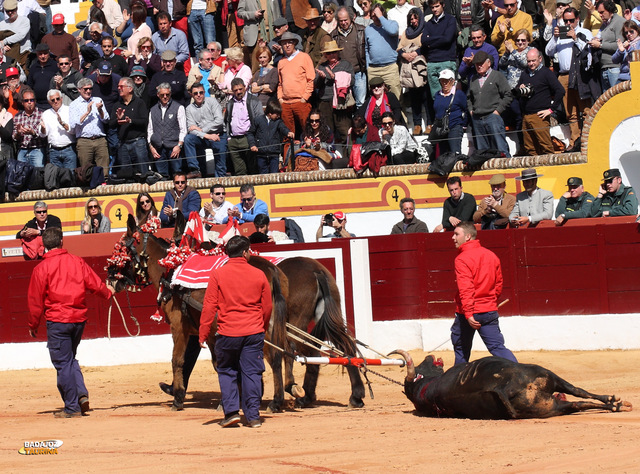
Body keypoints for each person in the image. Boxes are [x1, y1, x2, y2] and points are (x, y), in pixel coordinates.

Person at [28, 227, 115, 418]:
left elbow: (35, 301)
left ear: (44, 245)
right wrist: (108, 292)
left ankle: (72, 406)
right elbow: (95, 284)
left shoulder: (41, 268)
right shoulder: (77, 261)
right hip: (78, 320)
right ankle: (81, 395)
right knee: (69, 359)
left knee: (63, 362)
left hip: (58, 321)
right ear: (61, 242)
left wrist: (33, 325)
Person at [199, 235, 272, 428]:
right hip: (253, 332)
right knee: (252, 373)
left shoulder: (218, 274)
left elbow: (208, 307)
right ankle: (254, 416)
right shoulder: (259, 274)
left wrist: (203, 333)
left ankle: (231, 412)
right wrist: (261, 327)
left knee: (227, 370)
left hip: (228, 333)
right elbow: (267, 307)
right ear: (246, 252)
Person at [450, 221, 517, 366]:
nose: (453, 237)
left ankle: (459, 385)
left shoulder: (462, 259)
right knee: (498, 348)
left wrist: (468, 313)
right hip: (489, 310)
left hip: (469, 314)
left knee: (461, 350)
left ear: (468, 236)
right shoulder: (491, 255)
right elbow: (498, 285)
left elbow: (466, 288)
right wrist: (491, 302)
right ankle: (522, 376)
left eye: (456, 234)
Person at [545, 8, 596, 153]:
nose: (568, 23)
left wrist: (575, 38)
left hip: (580, 75)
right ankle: (574, 141)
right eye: (566, 20)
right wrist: (555, 37)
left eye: (571, 20)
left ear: (577, 19)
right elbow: (548, 52)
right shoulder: (559, 35)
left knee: (585, 110)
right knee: (570, 112)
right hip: (564, 75)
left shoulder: (584, 32)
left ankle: (588, 141)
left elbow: (588, 51)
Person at [516, 48, 565, 156]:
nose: (531, 63)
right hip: (526, 115)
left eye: (533, 61)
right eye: (529, 61)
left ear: (540, 59)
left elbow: (560, 91)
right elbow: (516, 91)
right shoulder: (525, 73)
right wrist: (520, 88)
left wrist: (551, 110)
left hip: (540, 116)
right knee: (530, 149)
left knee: (545, 146)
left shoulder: (546, 73)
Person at [467, 51, 512, 157]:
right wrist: (471, 110)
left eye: (481, 63)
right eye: (476, 64)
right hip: (477, 119)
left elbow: (508, 95)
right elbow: (469, 98)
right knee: (483, 153)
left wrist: (498, 111)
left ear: (489, 63)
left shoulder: (497, 76)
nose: (479, 66)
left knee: (501, 149)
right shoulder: (473, 79)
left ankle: (507, 169)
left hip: (493, 117)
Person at [68, 77, 110, 179]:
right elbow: (73, 124)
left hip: (100, 139)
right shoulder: (74, 104)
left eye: (90, 89)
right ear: (79, 89)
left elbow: (106, 119)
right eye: (85, 89)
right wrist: (87, 112)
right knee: (86, 171)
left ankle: (104, 187)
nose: (88, 91)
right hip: (84, 141)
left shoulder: (98, 100)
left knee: (104, 169)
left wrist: (100, 110)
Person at [109, 76, 149, 178]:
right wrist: (118, 120)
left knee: (143, 172)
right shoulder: (117, 105)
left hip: (138, 142)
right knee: (126, 174)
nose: (119, 88)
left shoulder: (139, 103)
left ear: (130, 88)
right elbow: (111, 124)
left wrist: (130, 121)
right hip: (123, 144)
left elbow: (144, 121)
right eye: (118, 86)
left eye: (121, 86)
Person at [277, 32, 315, 138]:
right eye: (284, 43)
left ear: (294, 43)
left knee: (308, 132)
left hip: (300, 101)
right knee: (287, 135)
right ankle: (289, 154)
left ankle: (309, 153)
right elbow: (280, 83)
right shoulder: (281, 62)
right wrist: (280, 98)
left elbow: (311, 79)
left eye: (290, 42)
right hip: (285, 103)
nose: (287, 45)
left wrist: (305, 97)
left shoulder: (304, 57)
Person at [185, 82, 227, 178]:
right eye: (195, 93)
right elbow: (191, 129)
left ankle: (220, 182)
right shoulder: (189, 109)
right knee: (188, 139)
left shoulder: (212, 102)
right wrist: (207, 135)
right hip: (203, 137)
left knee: (220, 162)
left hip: (218, 134)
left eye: (201, 92)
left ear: (204, 92)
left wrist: (202, 129)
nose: (199, 95)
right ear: (191, 94)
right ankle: (195, 170)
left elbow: (219, 121)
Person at [315, 39, 354, 142]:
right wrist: (321, 78)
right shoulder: (322, 67)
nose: (332, 55)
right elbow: (316, 85)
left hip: (341, 102)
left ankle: (348, 156)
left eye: (334, 52)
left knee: (344, 131)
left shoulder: (346, 65)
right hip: (325, 102)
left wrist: (336, 77)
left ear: (338, 52)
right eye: (329, 53)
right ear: (325, 55)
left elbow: (352, 81)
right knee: (327, 132)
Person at [421, 0, 457, 108]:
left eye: (437, 6)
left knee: (450, 95)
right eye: (432, 7)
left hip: (447, 60)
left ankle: (451, 122)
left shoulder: (450, 20)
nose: (435, 9)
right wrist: (440, 38)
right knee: (436, 97)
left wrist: (431, 40)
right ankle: (440, 122)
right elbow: (423, 40)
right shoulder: (429, 23)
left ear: (443, 5)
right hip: (432, 63)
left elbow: (447, 39)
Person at [225, 77, 264, 176]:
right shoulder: (230, 103)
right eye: (235, 90)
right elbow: (227, 120)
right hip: (233, 139)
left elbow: (260, 120)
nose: (238, 92)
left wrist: (255, 138)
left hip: (248, 138)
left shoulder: (254, 101)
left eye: (240, 89)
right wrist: (229, 137)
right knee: (239, 171)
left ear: (245, 87)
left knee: (252, 168)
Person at [397, 7, 427, 135]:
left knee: (426, 97)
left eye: (416, 18)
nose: (414, 21)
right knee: (414, 97)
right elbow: (399, 48)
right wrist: (404, 55)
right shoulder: (406, 32)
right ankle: (417, 125)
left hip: (421, 67)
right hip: (409, 68)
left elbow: (426, 45)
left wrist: (416, 52)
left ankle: (430, 123)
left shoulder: (425, 29)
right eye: (411, 19)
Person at [148, 82, 187, 179]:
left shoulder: (179, 107)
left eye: (167, 94)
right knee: (162, 176)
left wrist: (179, 145)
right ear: (158, 95)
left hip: (174, 147)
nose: (165, 97)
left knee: (177, 175)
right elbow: (150, 130)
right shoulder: (152, 110)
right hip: (159, 149)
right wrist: (151, 147)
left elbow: (183, 129)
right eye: (162, 95)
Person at [331, 7, 367, 108]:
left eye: (345, 20)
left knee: (360, 102)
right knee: (346, 104)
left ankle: (360, 123)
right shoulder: (334, 35)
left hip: (359, 72)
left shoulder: (361, 30)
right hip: (343, 74)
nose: (343, 23)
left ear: (351, 18)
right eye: (341, 20)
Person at [247, 98, 294, 174]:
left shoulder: (278, 121)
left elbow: (283, 128)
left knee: (274, 174)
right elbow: (250, 133)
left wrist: (288, 132)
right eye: (277, 114)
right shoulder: (258, 120)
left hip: (274, 154)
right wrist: (252, 145)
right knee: (263, 175)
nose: (278, 116)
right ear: (270, 113)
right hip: (261, 154)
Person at [364, 3, 401, 99]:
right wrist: (368, 66)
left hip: (390, 68)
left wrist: (380, 16)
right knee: (375, 98)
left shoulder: (392, 24)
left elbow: (393, 31)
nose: (375, 18)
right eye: (373, 16)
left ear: (382, 13)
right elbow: (367, 49)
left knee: (395, 96)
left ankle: (398, 114)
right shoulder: (368, 29)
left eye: (376, 15)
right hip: (374, 69)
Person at [588, 0, 625, 90]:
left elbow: (620, 46)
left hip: (615, 68)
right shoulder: (604, 24)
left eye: (602, 12)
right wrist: (597, 40)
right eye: (598, 13)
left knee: (616, 98)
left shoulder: (619, 22)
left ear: (610, 10)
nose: (600, 15)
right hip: (604, 68)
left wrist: (600, 45)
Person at [432, 69, 467, 156]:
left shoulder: (459, 94)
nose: (444, 83)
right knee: (442, 154)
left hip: (454, 126)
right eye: (442, 81)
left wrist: (463, 125)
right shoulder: (437, 95)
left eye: (447, 81)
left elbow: (466, 109)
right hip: (441, 129)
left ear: (452, 81)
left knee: (454, 153)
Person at [39, 89, 77, 169]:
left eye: (57, 98)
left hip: (69, 149)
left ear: (61, 99)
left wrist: (62, 123)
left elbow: (74, 130)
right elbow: (42, 135)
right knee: (56, 178)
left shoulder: (69, 110)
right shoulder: (46, 114)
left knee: (70, 176)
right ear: (49, 102)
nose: (55, 101)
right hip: (53, 151)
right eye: (53, 100)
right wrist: (43, 128)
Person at [13, 88, 45, 167]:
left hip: (37, 150)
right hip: (22, 151)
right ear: (22, 103)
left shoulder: (42, 114)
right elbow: (14, 137)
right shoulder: (17, 117)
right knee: (21, 176)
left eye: (32, 100)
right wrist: (18, 133)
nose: (29, 102)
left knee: (37, 176)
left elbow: (45, 135)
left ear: (35, 101)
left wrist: (33, 133)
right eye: (26, 100)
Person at [0, 0, 31, 72]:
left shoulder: (25, 20)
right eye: (7, 11)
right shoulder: (2, 24)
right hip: (8, 57)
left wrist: (4, 42)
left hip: (23, 54)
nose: (10, 13)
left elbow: (20, 35)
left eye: (12, 10)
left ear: (16, 8)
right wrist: (2, 47)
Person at [26, 44, 59, 111]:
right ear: (37, 55)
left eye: (45, 53)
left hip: (53, 102)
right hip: (37, 104)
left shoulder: (55, 66)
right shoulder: (33, 67)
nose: (43, 56)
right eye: (40, 54)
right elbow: (30, 85)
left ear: (49, 53)